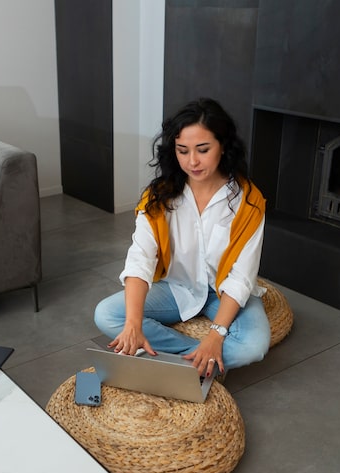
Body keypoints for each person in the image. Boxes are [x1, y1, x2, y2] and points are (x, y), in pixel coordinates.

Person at [94, 98, 270, 378]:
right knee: (107, 314)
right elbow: (140, 259)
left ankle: (180, 361)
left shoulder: (248, 202)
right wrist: (133, 325)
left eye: (203, 149)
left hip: (223, 293)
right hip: (177, 289)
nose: (192, 161)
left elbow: (241, 277)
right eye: (182, 151)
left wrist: (216, 334)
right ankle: (196, 361)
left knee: (253, 346)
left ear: (223, 146)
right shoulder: (158, 197)